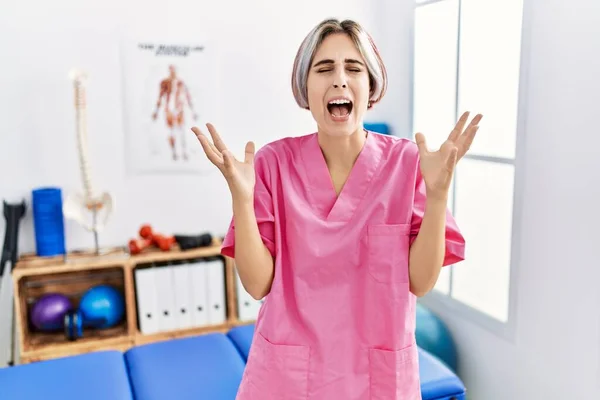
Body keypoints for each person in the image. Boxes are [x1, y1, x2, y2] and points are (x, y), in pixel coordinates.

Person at [192, 18, 481, 400]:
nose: (339, 80)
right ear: (305, 87)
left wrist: (439, 193)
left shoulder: (408, 164)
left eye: (354, 69)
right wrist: (242, 199)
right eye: (324, 68)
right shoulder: (273, 163)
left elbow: (420, 282)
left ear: (371, 86)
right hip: (288, 380)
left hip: (375, 380)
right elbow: (257, 283)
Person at [152, 65, 198, 161]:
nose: (173, 72)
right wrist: (156, 111)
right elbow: (160, 97)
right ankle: (174, 153)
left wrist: (193, 111)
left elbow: (187, 96)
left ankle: (184, 152)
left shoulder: (180, 83)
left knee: (181, 131)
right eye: (171, 70)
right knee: (171, 131)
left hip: (179, 109)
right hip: (169, 110)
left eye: (174, 70)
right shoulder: (165, 83)